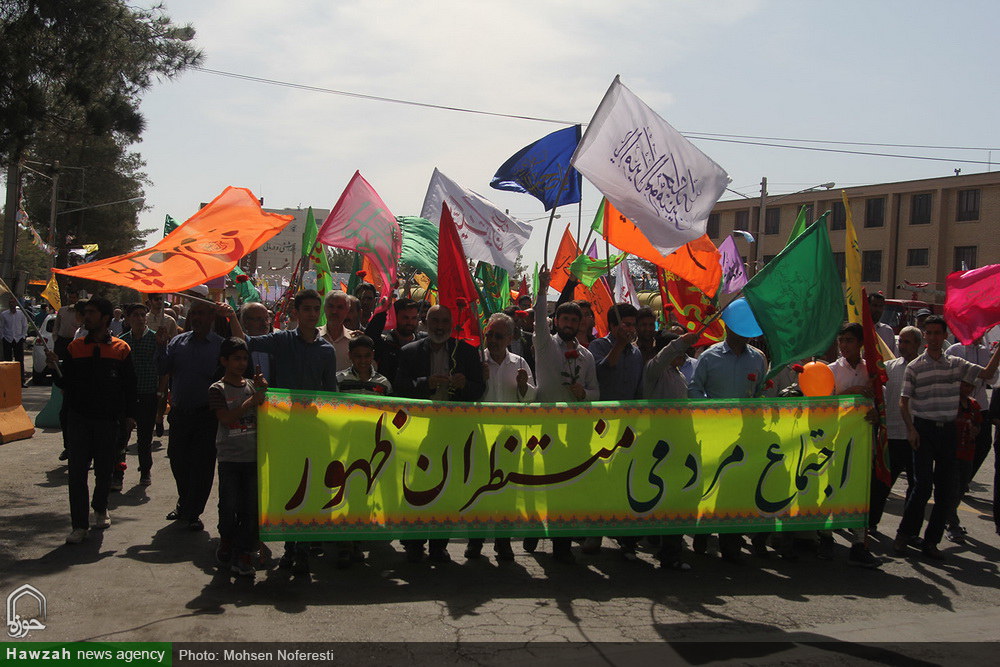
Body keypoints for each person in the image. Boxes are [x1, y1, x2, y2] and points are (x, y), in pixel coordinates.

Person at [245, 290, 338, 575]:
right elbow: (247, 342)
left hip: (312, 429)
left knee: (310, 487)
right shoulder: (282, 340)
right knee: (286, 487)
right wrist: (228, 317)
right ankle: (288, 546)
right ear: (296, 313)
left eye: (315, 309)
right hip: (282, 427)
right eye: (306, 309)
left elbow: (330, 393)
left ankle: (304, 546)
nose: (311, 313)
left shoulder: (326, 350)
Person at [894, 315, 1000, 560]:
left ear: (944, 337)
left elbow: (986, 374)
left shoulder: (955, 364)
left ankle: (931, 541)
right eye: (928, 333)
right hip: (924, 429)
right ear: (925, 337)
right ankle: (905, 534)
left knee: (945, 490)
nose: (932, 338)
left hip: (948, 431)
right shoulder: (915, 367)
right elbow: (904, 401)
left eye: (936, 333)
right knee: (921, 487)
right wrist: (911, 429)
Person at [395, 304, 485, 563]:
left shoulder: (466, 353)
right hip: (419, 431)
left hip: (453, 432)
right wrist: (426, 383)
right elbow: (399, 387)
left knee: (448, 488)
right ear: (426, 322)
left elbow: (479, 390)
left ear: (452, 323)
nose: (439, 326)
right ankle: (413, 542)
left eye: (445, 321)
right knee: (416, 484)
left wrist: (465, 384)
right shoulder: (410, 352)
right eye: (435, 320)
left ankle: (439, 544)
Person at [47, 297, 137, 544]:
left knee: (104, 470)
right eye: (84, 312)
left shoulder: (121, 349)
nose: (86, 316)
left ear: (105, 318)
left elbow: (130, 386)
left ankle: (100, 507)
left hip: (108, 420)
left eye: (91, 312)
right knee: (76, 472)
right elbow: (66, 383)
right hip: (79, 418)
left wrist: (130, 416)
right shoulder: (74, 348)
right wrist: (54, 367)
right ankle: (79, 525)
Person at [526, 269, 599, 564]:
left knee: (568, 484)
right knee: (540, 481)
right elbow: (538, 315)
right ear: (556, 322)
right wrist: (543, 290)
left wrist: (586, 395)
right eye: (564, 319)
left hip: (575, 430)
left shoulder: (587, 356)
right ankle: (533, 527)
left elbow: (597, 392)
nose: (569, 324)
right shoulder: (543, 343)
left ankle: (561, 542)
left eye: (574, 320)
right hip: (545, 427)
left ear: (580, 325)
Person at [159, 300, 241, 532]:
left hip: (207, 416)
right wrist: (160, 346)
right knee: (177, 460)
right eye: (193, 313)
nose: (196, 318)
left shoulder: (220, 346)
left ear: (211, 318)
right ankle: (184, 501)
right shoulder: (177, 342)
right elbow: (163, 368)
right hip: (180, 414)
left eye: (201, 314)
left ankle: (193, 511)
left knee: (202, 465)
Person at [688, 329, 767, 564]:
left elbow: (761, 392)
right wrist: (714, 411)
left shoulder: (758, 358)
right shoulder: (709, 356)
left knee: (735, 488)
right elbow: (694, 389)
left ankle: (730, 541)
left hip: (743, 436)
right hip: (714, 433)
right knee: (709, 484)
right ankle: (702, 533)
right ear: (729, 327)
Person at [464, 312, 534, 562]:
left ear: (510, 338)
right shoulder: (476, 360)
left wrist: (524, 386)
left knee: (506, 493)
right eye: (490, 334)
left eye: (499, 336)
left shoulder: (520, 363)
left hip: (509, 439)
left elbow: (529, 400)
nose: (492, 340)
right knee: (479, 491)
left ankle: (503, 543)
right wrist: (479, 380)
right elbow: (467, 397)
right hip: (480, 436)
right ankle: (476, 541)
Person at [588, 302, 644, 559]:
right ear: (612, 325)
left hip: (627, 428)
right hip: (601, 427)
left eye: (633, 325)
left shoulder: (637, 353)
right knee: (600, 481)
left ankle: (626, 537)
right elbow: (602, 371)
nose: (631, 330)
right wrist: (618, 345)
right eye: (626, 325)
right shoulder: (597, 347)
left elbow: (637, 390)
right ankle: (594, 533)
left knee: (626, 480)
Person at [209, 338, 268, 576]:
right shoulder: (217, 389)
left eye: (244, 358)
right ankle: (227, 539)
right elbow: (225, 418)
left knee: (250, 508)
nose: (241, 363)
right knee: (229, 504)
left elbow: (264, 409)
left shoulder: (251, 387)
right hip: (230, 459)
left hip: (252, 457)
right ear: (224, 361)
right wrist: (251, 401)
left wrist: (263, 390)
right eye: (236, 358)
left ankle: (243, 552)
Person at [825, 322, 881, 568]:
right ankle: (825, 538)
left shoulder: (873, 370)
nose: (844, 345)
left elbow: (880, 403)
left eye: (849, 340)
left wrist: (876, 415)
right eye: (842, 340)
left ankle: (859, 543)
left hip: (862, 440)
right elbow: (822, 406)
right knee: (831, 488)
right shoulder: (831, 371)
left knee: (860, 491)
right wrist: (852, 393)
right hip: (836, 439)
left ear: (860, 343)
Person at [642, 329, 699, 570]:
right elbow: (663, 357)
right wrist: (681, 341)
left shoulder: (679, 376)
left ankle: (671, 553)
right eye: (680, 352)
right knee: (659, 498)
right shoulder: (654, 371)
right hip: (659, 446)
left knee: (675, 499)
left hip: (679, 444)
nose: (684, 356)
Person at [944, 336, 997, 542]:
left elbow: (991, 378)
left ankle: (962, 484)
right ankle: (951, 517)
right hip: (954, 410)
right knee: (954, 466)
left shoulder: (985, 351)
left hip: (978, 407)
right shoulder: (955, 351)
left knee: (981, 448)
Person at [870, 326, 922, 532]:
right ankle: (870, 524)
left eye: (907, 342)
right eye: (900, 342)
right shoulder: (889, 368)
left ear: (918, 344)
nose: (902, 346)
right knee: (881, 484)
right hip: (890, 435)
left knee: (916, 487)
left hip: (914, 437)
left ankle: (908, 532)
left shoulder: (923, 369)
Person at [117, 303, 159, 488]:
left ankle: (145, 471)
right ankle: (118, 473)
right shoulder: (122, 342)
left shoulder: (155, 339)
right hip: (127, 395)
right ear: (127, 318)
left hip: (148, 393)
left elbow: (163, 367)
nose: (140, 318)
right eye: (136, 315)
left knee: (144, 438)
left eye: (143, 315)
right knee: (122, 437)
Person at [370, 298, 425, 386]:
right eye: (405, 318)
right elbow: (371, 335)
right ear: (395, 317)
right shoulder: (385, 343)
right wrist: (383, 311)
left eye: (414, 318)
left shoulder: (423, 345)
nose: (410, 322)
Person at [319, 291, 358, 372]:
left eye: (340, 307)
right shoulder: (313, 336)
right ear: (324, 308)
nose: (334, 311)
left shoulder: (354, 340)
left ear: (347, 310)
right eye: (331, 306)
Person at [239, 302, 273, 382]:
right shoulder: (240, 346)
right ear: (245, 322)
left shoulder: (275, 345)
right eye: (258, 319)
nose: (264, 323)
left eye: (266, 318)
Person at [1, 295, 29, 381]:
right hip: (8, 339)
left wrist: (23, 336)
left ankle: (21, 380)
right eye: (10, 303)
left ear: (16, 303)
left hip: (18, 339)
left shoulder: (21, 314)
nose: (11, 304)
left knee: (19, 360)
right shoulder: (4, 314)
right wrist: (2, 337)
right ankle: (7, 379)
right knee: (7, 361)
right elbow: (1, 327)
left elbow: (25, 326)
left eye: (13, 302)